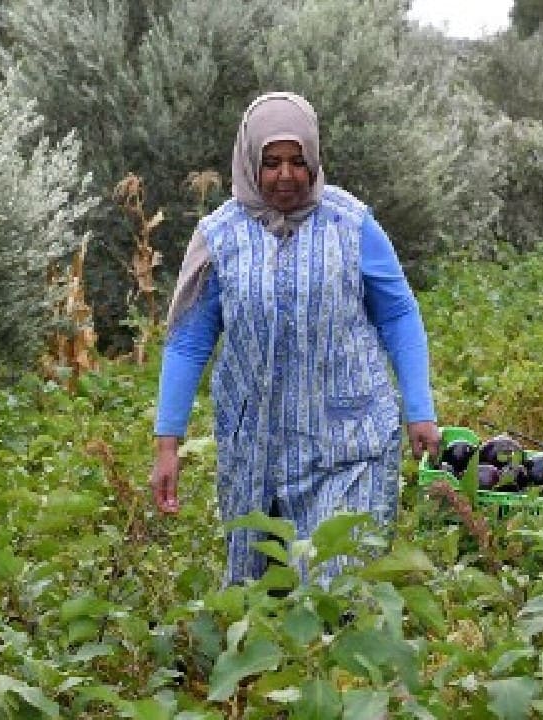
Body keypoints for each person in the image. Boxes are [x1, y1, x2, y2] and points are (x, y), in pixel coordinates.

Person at [149, 92, 441, 587]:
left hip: (349, 442)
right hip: (255, 451)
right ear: (249, 162)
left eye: (297, 161)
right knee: (260, 593)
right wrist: (166, 443)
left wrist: (420, 408)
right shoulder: (220, 236)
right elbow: (189, 340)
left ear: (314, 159)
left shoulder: (351, 224)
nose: (286, 175)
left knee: (337, 586)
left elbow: (397, 313)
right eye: (271, 163)